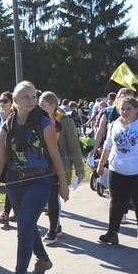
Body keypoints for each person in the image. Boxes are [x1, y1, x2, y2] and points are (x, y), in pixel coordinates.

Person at [0, 81, 69, 274]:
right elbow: (1, 158)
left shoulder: (44, 123)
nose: (30, 101)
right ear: (15, 100)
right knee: (27, 222)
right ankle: (43, 259)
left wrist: (63, 184)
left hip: (39, 180)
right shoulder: (7, 125)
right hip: (14, 181)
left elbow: (55, 156)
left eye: (33, 97)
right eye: (25, 97)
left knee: (23, 224)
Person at [96, 97, 138, 244]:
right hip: (117, 171)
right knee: (116, 201)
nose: (124, 112)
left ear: (136, 110)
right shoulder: (114, 125)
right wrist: (101, 164)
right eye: (122, 108)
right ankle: (112, 232)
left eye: (128, 109)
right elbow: (108, 145)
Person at [38, 92, 85, 244]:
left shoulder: (65, 121)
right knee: (46, 196)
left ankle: (53, 228)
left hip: (59, 165)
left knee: (53, 196)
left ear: (53, 105)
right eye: (40, 105)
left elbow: (74, 146)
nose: (40, 107)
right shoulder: (39, 120)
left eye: (43, 105)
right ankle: (55, 225)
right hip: (42, 165)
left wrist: (80, 170)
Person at [0, 92, 15, 225]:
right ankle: (10, 210)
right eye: (0, 101)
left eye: (5, 101)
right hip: (2, 154)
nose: (2, 103)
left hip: (15, 155)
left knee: (12, 182)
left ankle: (8, 211)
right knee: (8, 182)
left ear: (12, 102)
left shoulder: (17, 116)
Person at [90, 88, 134, 158]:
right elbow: (101, 132)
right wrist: (95, 148)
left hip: (129, 151)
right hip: (109, 150)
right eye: (124, 99)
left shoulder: (135, 114)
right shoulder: (108, 112)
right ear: (118, 99)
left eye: (129, 99)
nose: (126, 102)